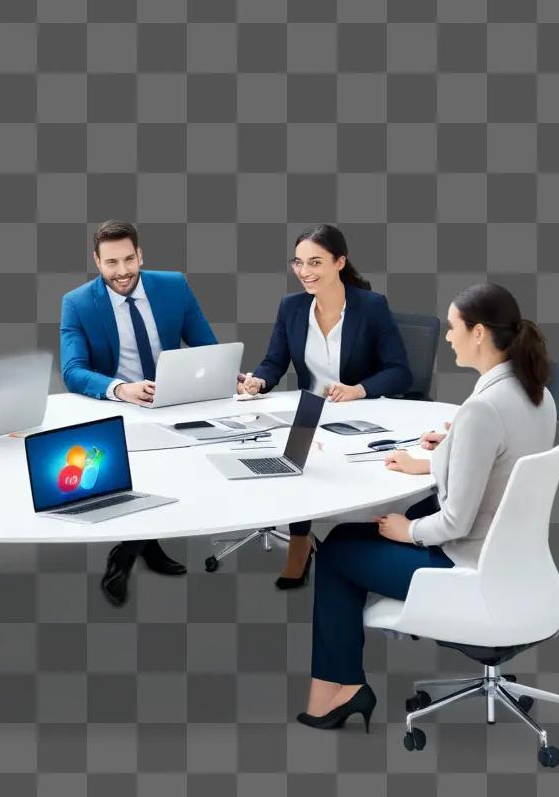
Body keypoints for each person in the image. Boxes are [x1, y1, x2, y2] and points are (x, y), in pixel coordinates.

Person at [297, 283, 556, 731]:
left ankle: (340, 690)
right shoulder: (537, 394)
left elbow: (455, 521)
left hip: (467, 565)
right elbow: (497, 461)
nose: (449, 337)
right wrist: (446, 451)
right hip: (515, 558)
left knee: (338, 548)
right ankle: (340, 682)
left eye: (454, 327)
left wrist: (408, 533)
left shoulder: (483, 409)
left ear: (478, 333)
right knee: (373, 526)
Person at [239, 225, 411, 589]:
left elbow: (400, 371)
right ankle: (300, 541)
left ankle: (374, 549)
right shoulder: (292, 307)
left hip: (361, 414)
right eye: (298, 262)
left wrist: (358, 390)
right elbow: (274, 361)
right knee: (288, 454)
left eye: (315, 262)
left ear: (339, 262)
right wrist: (258, 381)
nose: (305, 272)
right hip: (312, 411)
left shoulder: (371, 307)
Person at [60, 220, 218, 606]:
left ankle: (135, 548)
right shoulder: (78, 302)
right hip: (121, 407)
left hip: (174, 400)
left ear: (140, 255)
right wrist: (120, 389)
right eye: (111, 262)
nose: (122, 271)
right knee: (133, 467)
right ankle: (127, 555)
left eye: (129, 259)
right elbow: (73, 370)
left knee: (187, 465)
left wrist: (231, 377)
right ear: (97, 262)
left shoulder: (173, 286)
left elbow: (207, 347)